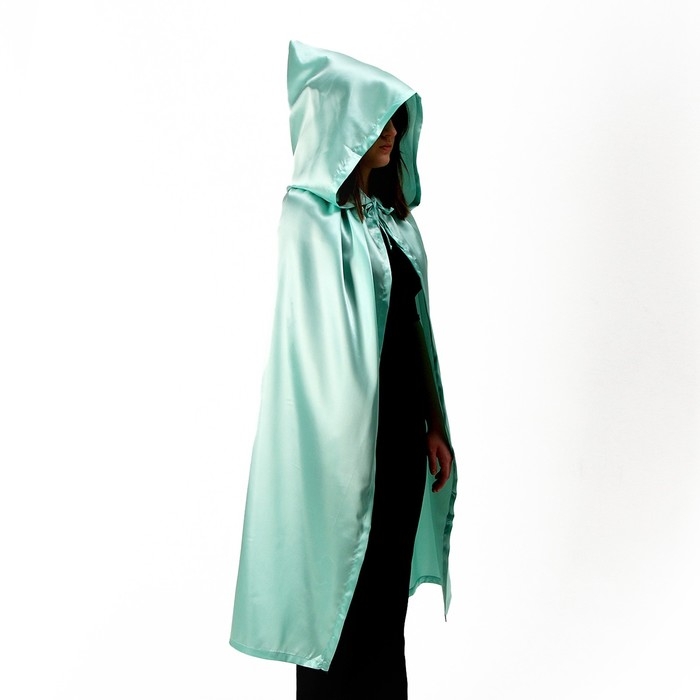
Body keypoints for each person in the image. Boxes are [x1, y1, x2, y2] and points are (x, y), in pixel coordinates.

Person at [230, 41, 457, 699]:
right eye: (378, 121)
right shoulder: (310, 219)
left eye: (396, 124)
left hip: (400, 442)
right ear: (344, 124)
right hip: (339, 451)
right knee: (337, 602)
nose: (392, 135)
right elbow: (314, 346)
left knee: (384, 603)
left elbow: (414, 332)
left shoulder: (394, 223)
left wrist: (432, 425)